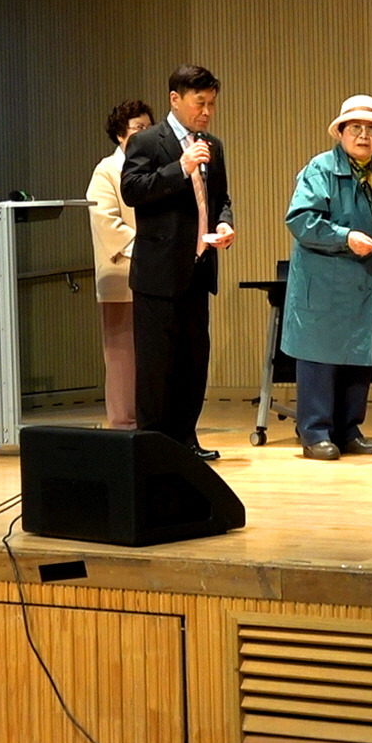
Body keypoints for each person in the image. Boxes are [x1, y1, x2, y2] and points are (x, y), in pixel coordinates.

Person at [282, 96, 372, 460]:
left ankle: (349, 429)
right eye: (356, 128)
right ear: (340, 132)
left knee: (357, 356)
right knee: (319, 358)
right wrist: (345, 237)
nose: (364, 135)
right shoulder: (320, 169)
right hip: (323, 281)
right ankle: (315, 432)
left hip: (362, 282)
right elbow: (301, 219)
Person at [121, 65, 234, 461]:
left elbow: (221, 198)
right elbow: (133, 190)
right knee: (156, 366)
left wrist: (224, 223)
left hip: (198, 268)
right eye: (199, 103)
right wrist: (180, 168)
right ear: (175, 99)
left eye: (212, 104)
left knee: (193, 362)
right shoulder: (147, 141)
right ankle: (152, 446)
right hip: (158, 274)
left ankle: (185, 441)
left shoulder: (213, 145)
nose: (207, 111)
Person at [85, 100, 154, 430]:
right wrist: (151, 248)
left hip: (155, 274)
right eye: (138, 128)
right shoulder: (107, 170)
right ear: (119, 134)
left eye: (149, 128)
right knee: (122, 356)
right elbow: (105, 220)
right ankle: (124, 426)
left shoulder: (154, 169)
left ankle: (151, 424)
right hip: (121, 274)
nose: (146, 134)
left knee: (152, 356)